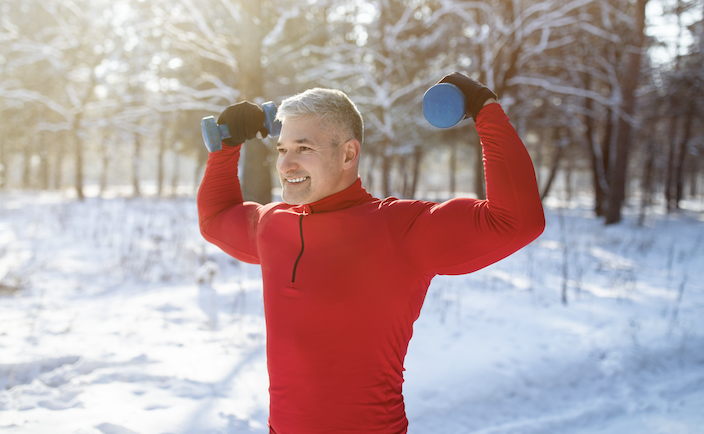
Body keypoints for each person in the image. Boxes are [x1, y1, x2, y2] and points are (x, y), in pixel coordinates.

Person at [197, 72, 545, 434]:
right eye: (282, 150)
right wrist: (225, 148)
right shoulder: (272, 225)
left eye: (303, 148)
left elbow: (516, 221)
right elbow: (215, 218)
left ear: (348, 153)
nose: (285, 165)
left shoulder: (398, 229)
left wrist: (484, 109)